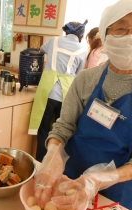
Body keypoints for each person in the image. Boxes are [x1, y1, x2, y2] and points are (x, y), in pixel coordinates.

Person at [34, 0, 132, 210]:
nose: (130, 37)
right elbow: (63, 127)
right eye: (120, 28)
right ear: (106, 33)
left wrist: (98, 180)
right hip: (70, 180)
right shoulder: (85, 79)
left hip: (120, 191)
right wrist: (52, 156)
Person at [28, 20, 88, 162]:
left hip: (47, 92)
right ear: (81, 35)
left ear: (66, 31)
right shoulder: (82, 50)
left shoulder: (54, 41)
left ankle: (40, 163)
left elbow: (41, 49)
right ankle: (55, 164)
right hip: (66, 95)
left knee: (43, 130)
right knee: (60, 132)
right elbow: (78, 73)